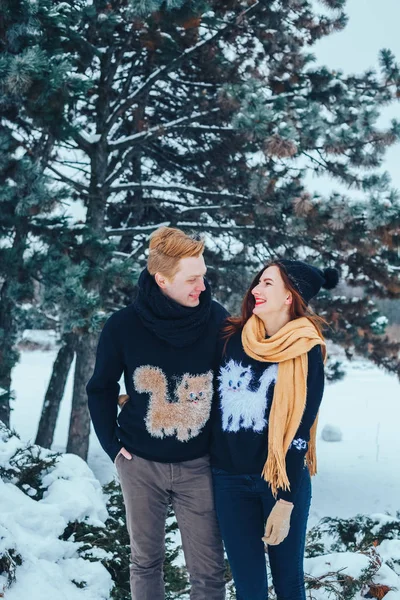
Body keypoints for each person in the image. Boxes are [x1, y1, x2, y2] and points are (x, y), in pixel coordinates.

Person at [87, 226, 227, 600]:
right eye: (192, 279)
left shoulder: (217, 320)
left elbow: (233, 388)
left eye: (204, 276)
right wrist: (112, 446)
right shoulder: (122, 326)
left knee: (209, 570)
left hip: (199, 464)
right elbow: (100, 389)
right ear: (161, 278)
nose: (202, 286)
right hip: (140, 464)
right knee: (145, 561)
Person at [210, 259, 339, 600]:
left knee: (288, 585)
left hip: (281, 480)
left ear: (289, 296)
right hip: (229, 481)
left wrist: (285, 502)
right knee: (249, 590)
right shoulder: (228, 339)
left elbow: (300, 429)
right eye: (257, 282)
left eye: (267, 283)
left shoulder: (307, 350)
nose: (255, 289)